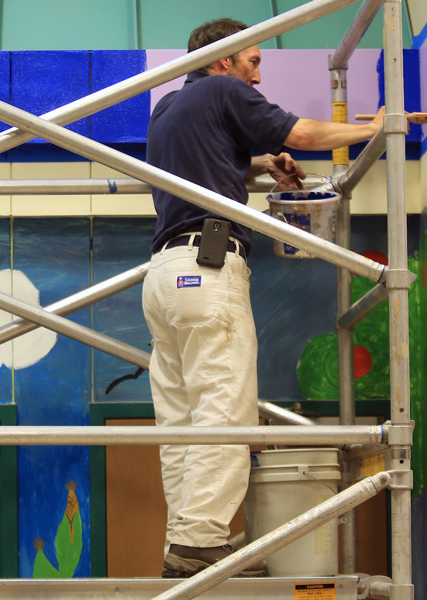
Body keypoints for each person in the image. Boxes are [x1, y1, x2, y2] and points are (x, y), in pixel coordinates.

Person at [142, 17, 386, 578]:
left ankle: (185, 542)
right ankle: (201, 538)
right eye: (252, 61)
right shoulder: (226, 89)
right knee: (224, 406)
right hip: (209, 266)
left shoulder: (165, 110)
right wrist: (374, 127)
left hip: (163, 273)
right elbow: (302, 135)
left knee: (180, 417)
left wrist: (258, 164)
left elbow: (206, 160)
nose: (257, 76)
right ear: (223, 59)